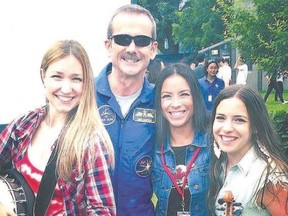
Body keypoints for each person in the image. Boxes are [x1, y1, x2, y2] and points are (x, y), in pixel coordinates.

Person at [0, 40, 116, 215]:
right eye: (57, 76)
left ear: (86, 84)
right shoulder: (23, 125)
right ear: (43, 76)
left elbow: (103, 211)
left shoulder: (91, 143)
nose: (66, 88)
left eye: (76, 79)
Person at [95, 4, 158, 216]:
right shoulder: (83, 96)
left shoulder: (163, 102)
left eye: (141, 41)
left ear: (153, 49)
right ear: (108, 46)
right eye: (123, 39)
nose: (132, 48)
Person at [208, 84, 288, 215]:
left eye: (239, 120)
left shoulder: (269, 177)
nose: (227, 128)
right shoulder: (219, 164)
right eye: (221, 118)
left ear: (255, 126)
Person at [152, 63, 212, 216]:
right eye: (166, 96)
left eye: (184, 94)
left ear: (196, 96)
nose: (176, 104)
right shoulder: (152, 147)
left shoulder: (213, 143)